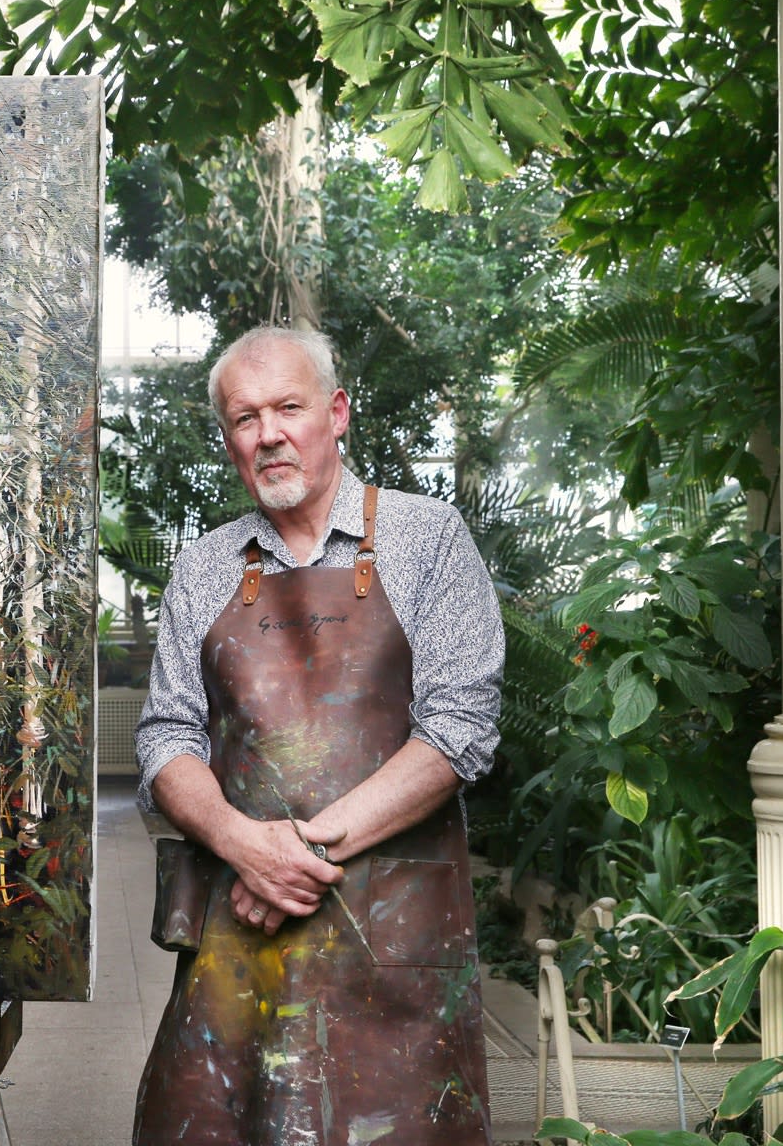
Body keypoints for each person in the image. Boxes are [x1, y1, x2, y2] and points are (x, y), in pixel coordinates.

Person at [132, 325, 503, 1146]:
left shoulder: (428, 538)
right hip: (240, 940)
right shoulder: (204, 567)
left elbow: (460, 732)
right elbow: (165, 738)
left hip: (392, 945)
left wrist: (293, 853)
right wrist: (241, 842)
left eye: (288, 408)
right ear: (228, 439)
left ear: (336, 413)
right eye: (243, 418)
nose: (268, 435)